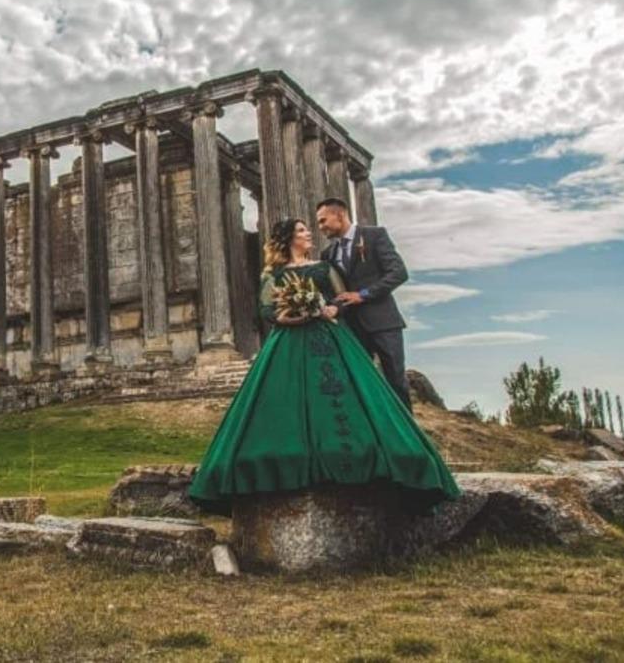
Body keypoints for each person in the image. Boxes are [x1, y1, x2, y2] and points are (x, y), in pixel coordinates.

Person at [186, 218, 459, 517]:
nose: (309, 235)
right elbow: (266, 309)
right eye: (302, 231)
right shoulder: (273, 274)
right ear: (289, 238)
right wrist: (286, 317)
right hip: (288, 341)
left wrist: (332, 308)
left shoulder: (324, 267)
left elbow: (341, 298)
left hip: (330, 337)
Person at [316, 198, 413, 412]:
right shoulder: (327, 255)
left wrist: (364, 294)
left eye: (323, 221)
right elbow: (337, 293)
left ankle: (408, 433)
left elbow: (398, 273)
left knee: (396, 380)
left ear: (339, 215)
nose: (321, 228)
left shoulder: (374, 235)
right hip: (352, 327)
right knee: (362, 381)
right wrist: (332, 307)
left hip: (383, 322)